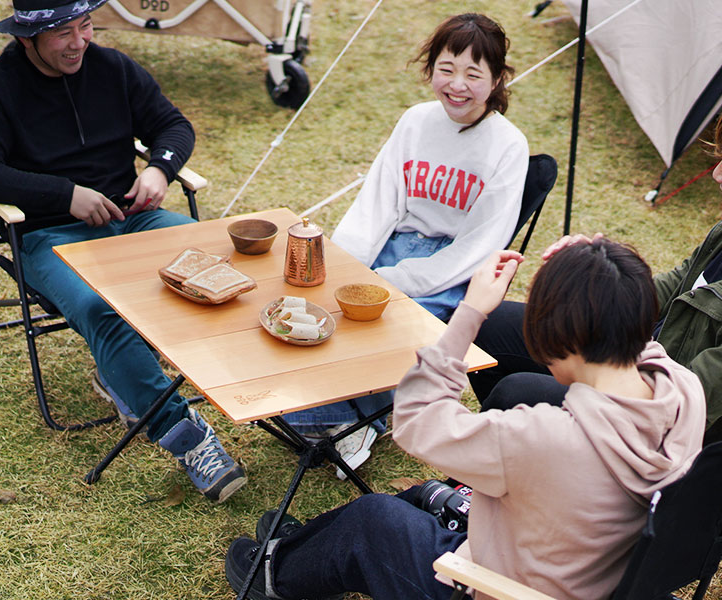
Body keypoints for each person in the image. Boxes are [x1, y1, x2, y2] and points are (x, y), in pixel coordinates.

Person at [225, 238, 705, 600]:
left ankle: (271, 573)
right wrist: (603, 271)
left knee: (373, 523)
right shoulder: (682, 392)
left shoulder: (541, 438)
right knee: (418, 496)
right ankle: (306, 544)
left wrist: (470, 312)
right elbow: (647, 346)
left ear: (557, 336)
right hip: (584, 569)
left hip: (500, 588)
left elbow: (416, 419)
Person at [0, 0, 246, 502]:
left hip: (132, 216)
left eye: (85, 25)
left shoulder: (113, 68)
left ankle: (159, 377)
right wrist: (64, 194)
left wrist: (159, 168)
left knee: (224, 262)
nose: (80, 41)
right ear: (28, 39)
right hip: (48, 234)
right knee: (101, 307)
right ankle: (187, 438)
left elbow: (174, 126)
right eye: (63, 33)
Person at [282, 13, 530, 477]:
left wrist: (401, 279)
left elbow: (479, 244)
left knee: (391, 317)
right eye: (446, 69)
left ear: (496, 79)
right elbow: (377, 202)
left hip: (449, 266)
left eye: (474, 74)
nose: (457, 85)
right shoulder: (415, 121)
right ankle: (328, 412)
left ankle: (356, 423)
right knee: (330, 304)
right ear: (430, 69)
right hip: (395, 244)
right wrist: (348, 264)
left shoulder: (508, 145)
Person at [468, 113, 722, 445]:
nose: (716, 175)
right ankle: (534, 462)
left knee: (517, 393)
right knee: (493, 324)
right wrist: (598, 267)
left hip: (659, 423)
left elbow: (688, 394)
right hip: (630, 364)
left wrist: (600, 366)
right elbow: (657, 294)